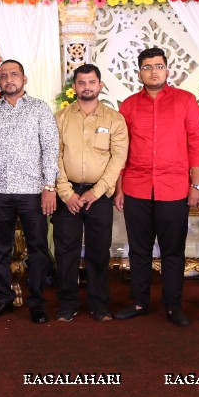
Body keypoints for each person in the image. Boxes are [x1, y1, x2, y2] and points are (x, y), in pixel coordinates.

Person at [113, 47, 199, 327]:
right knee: (139, 250)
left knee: (173, 251)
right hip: (136, 187)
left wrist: (197, 185)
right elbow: (120, 150)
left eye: (158, 66)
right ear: (139, 72)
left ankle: (173, 305)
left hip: (174, 187)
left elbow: (197, 143)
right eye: (147, 67)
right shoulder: (128, 105)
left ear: (168, 70)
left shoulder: (186, 101)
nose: (153, 71)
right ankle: (140, 302)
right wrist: (119, 189)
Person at [0, 60, 59, 324]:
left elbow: (51, 150)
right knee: (0, 250)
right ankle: (2, 299)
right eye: (4, 75)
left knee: (38, 249)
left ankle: (38, 302)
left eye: (14, 74)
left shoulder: (40, 109)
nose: (9, 79)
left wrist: (49, 187)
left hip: (32, 192)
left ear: (24, 79)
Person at [53, 64, 128, 322]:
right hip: (68, 195)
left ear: (100, 86)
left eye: (91, 82)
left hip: (100, 195)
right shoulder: (60, 118)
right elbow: (55, 157)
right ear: (74, 87)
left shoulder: (114, 119)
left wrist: (96, 192)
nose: (86, 87)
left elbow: (118, 159)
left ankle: (99, 304)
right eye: (81, 82)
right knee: (65, 252)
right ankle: (67, 303)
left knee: (99, 251)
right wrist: (66, 193)